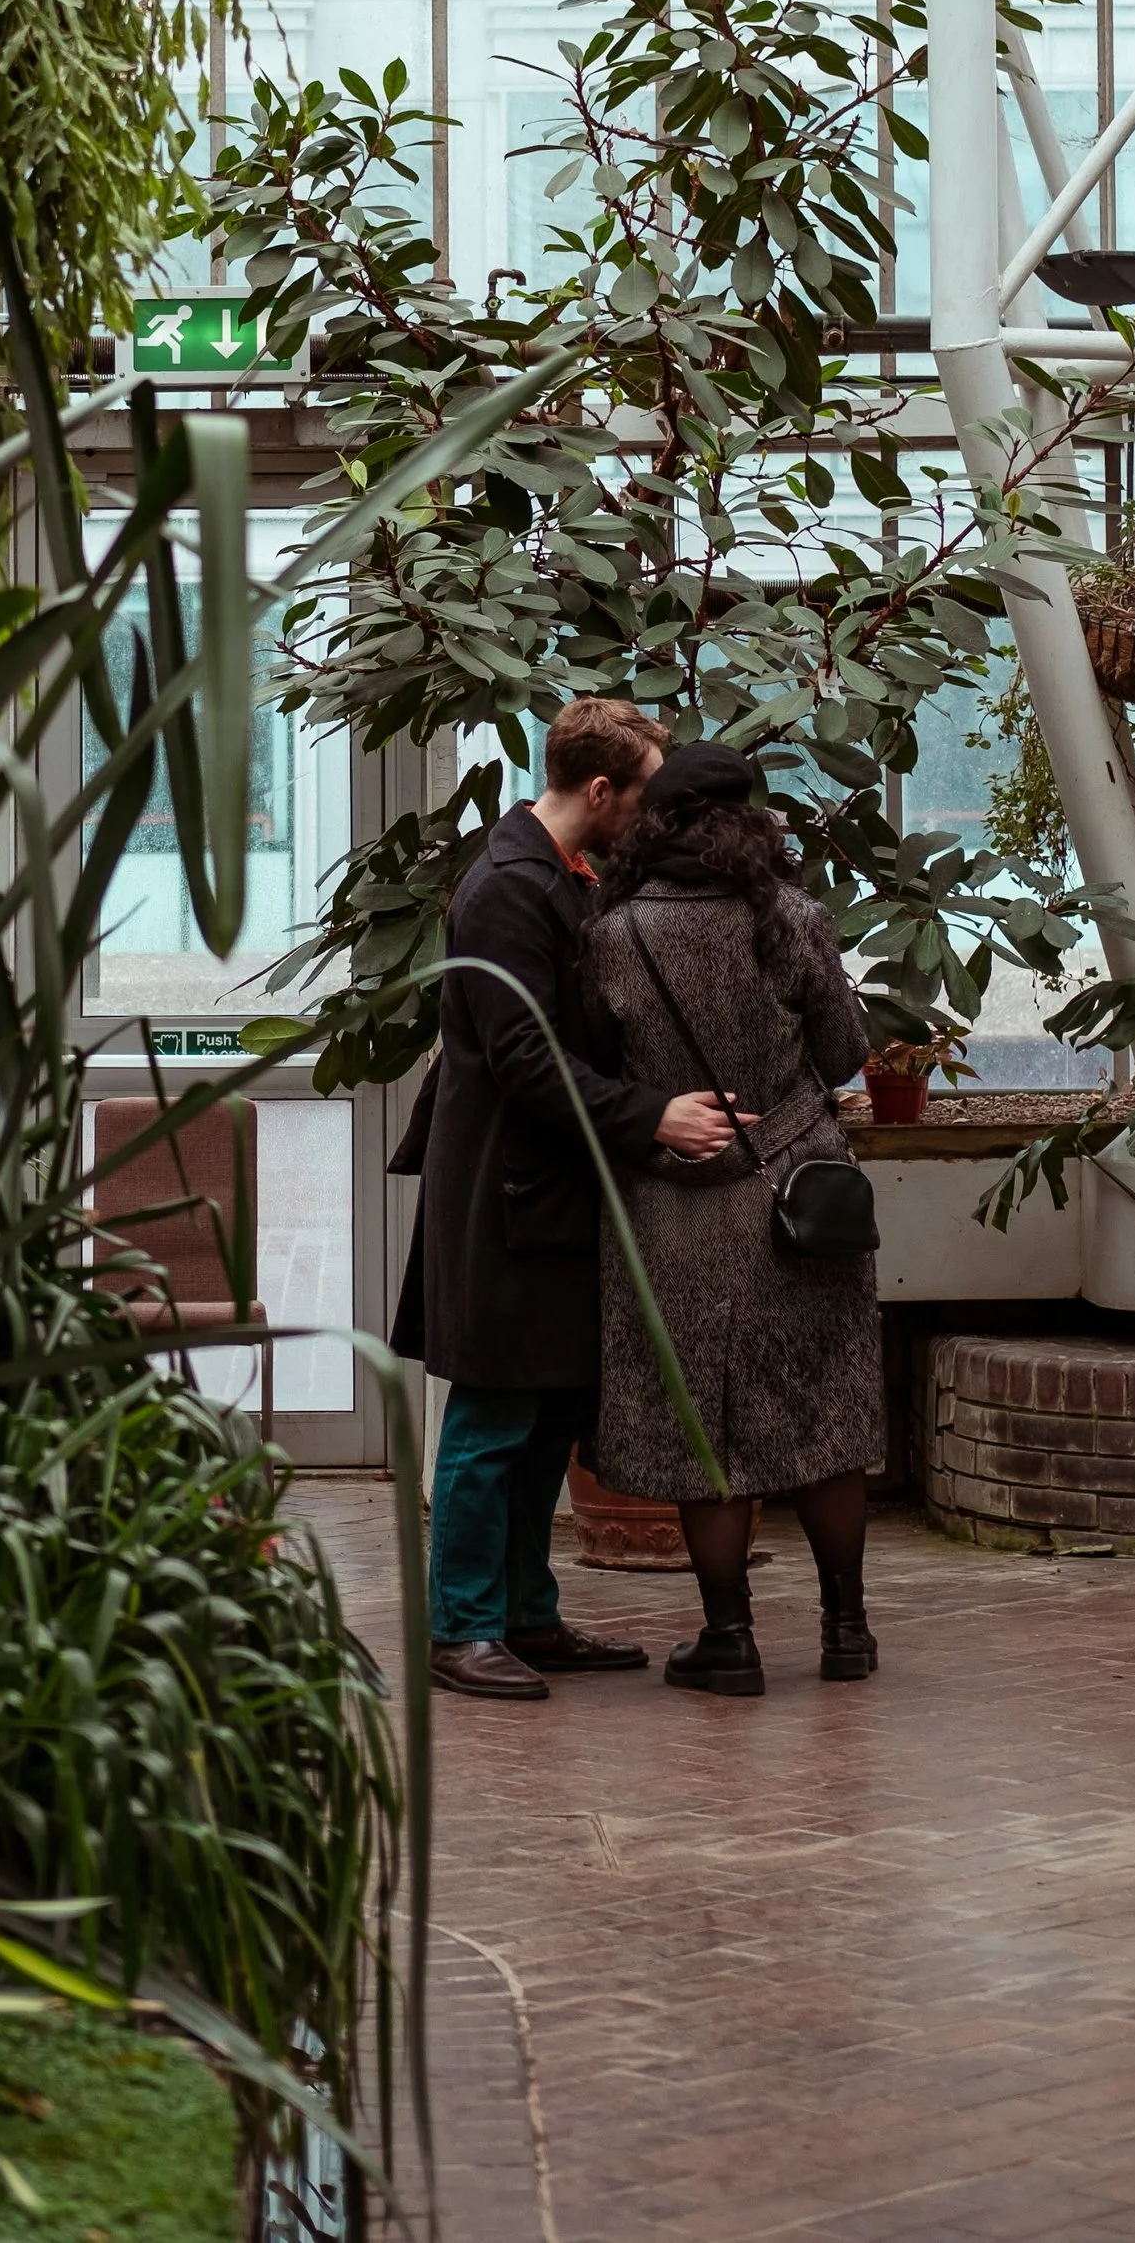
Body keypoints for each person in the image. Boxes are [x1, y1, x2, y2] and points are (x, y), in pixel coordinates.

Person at [389, 698, 735, 1703]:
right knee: (493, 1411)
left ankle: (525, 1617)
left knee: (543, 1414)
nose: (651, 814)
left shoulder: (566, 877)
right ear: (600, 791)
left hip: (551, 1190)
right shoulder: (507, 888)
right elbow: (522, 1056)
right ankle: (459, 1629)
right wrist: (652, 1118)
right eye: (643, 793)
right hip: (504, 1192)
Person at [580, 739, 885, 1697]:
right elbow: (841, 1051)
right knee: (823, 1412)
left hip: (673, 1205)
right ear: (748, 820)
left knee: (702, 1427)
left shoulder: (614, 933)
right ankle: (846, 1631)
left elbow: (606, 1072)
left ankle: (730, 1641)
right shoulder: (790, 918)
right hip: (800, 1203)